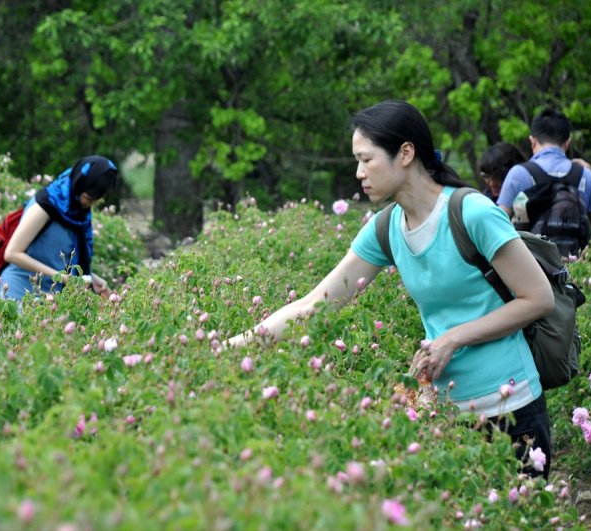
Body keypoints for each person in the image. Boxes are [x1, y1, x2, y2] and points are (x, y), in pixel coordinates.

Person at [229, 100, 556, 480]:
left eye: (366, 160)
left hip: (512, 410)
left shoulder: (472, 212)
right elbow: (315, 304)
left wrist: (453, 338)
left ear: (405, 153)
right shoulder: (386, 228)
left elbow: (538, 298)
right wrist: (234, 345)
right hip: (445, 415)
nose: (358, 172)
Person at [0, 155, 118, 302]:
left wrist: (91, 278)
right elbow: (12, 253)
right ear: (78, 185)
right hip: (18, 292)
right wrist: (61, 278)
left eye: (95, 200)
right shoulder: (46, 205)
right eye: (88, 198)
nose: (90, 204)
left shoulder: (77, 213)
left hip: (51, 298)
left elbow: (59, 259)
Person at [496, 109, 591, 244]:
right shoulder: (584, 174)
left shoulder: (518, 174)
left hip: (531, 262)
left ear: (532, 141)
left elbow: (497, 224)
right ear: (567, 143)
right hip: (575, 261)